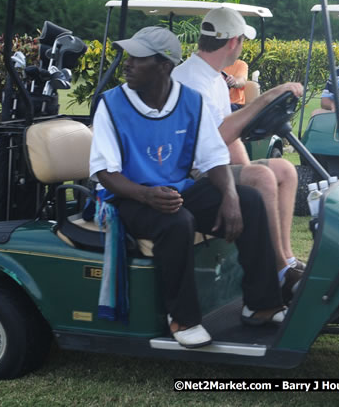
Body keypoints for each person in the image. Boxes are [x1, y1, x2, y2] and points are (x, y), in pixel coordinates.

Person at [89, 26, 285, 349]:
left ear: (164, 65)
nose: (127, 64)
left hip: (176, 191)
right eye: (129, 57)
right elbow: (105, 172)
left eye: (138, 58)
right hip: (127, 196)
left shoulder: (190, 103)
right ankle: (182, 318)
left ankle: (261, 304)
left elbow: (213, 157)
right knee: (179, 222)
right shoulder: (111, 105)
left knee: (250, 201)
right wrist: (145, 194)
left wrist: (230, 196)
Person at [171, 8, 303, 303]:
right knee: (262, 176)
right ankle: (279, 273)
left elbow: (228, 140)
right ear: (233, 41)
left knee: (284, 170)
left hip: (210, 167)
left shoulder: (213, 78)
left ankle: (286, 260)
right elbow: (217, 136)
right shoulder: (192, 80)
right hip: (186, 176)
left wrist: (245, 171)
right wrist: (267, 96)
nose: (242, 46)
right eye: (242, 41)